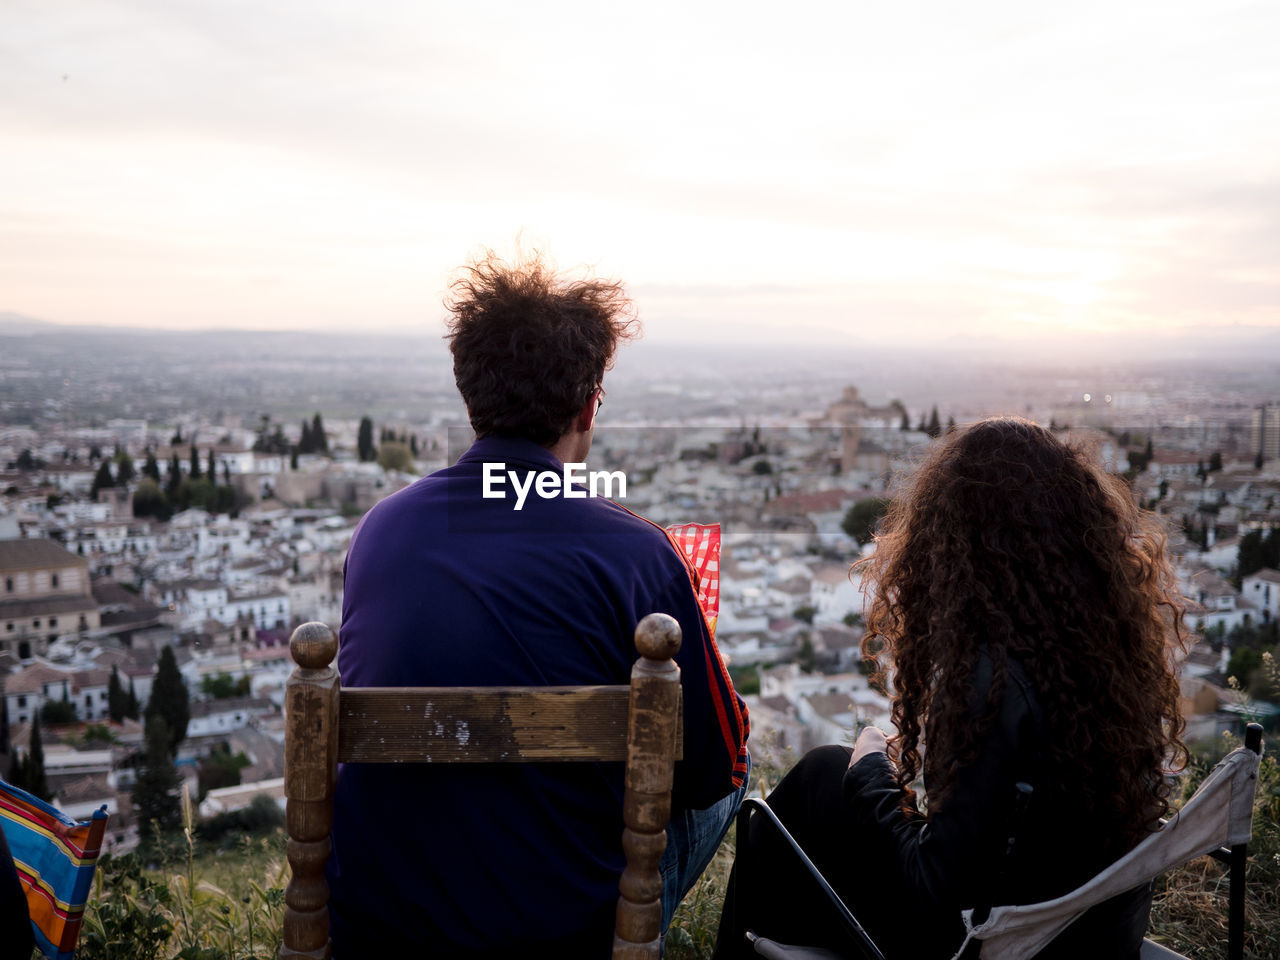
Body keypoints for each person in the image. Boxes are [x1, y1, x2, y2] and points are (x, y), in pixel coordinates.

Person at [327, 251, 749, 957]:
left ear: (471, 401)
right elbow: (714, 767)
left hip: (376, 924)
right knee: (736, 768)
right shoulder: (639, 554)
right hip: (559, 934)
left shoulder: (381, 530)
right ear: (588, 407)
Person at [713, 417, 1187, 960]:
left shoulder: (993, 685)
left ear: (952, 546)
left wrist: (871, 772)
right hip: (1080, 931)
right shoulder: (1109, 655)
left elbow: (934, 893)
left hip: (978, 943)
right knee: (824, 772)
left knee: (811, 786)